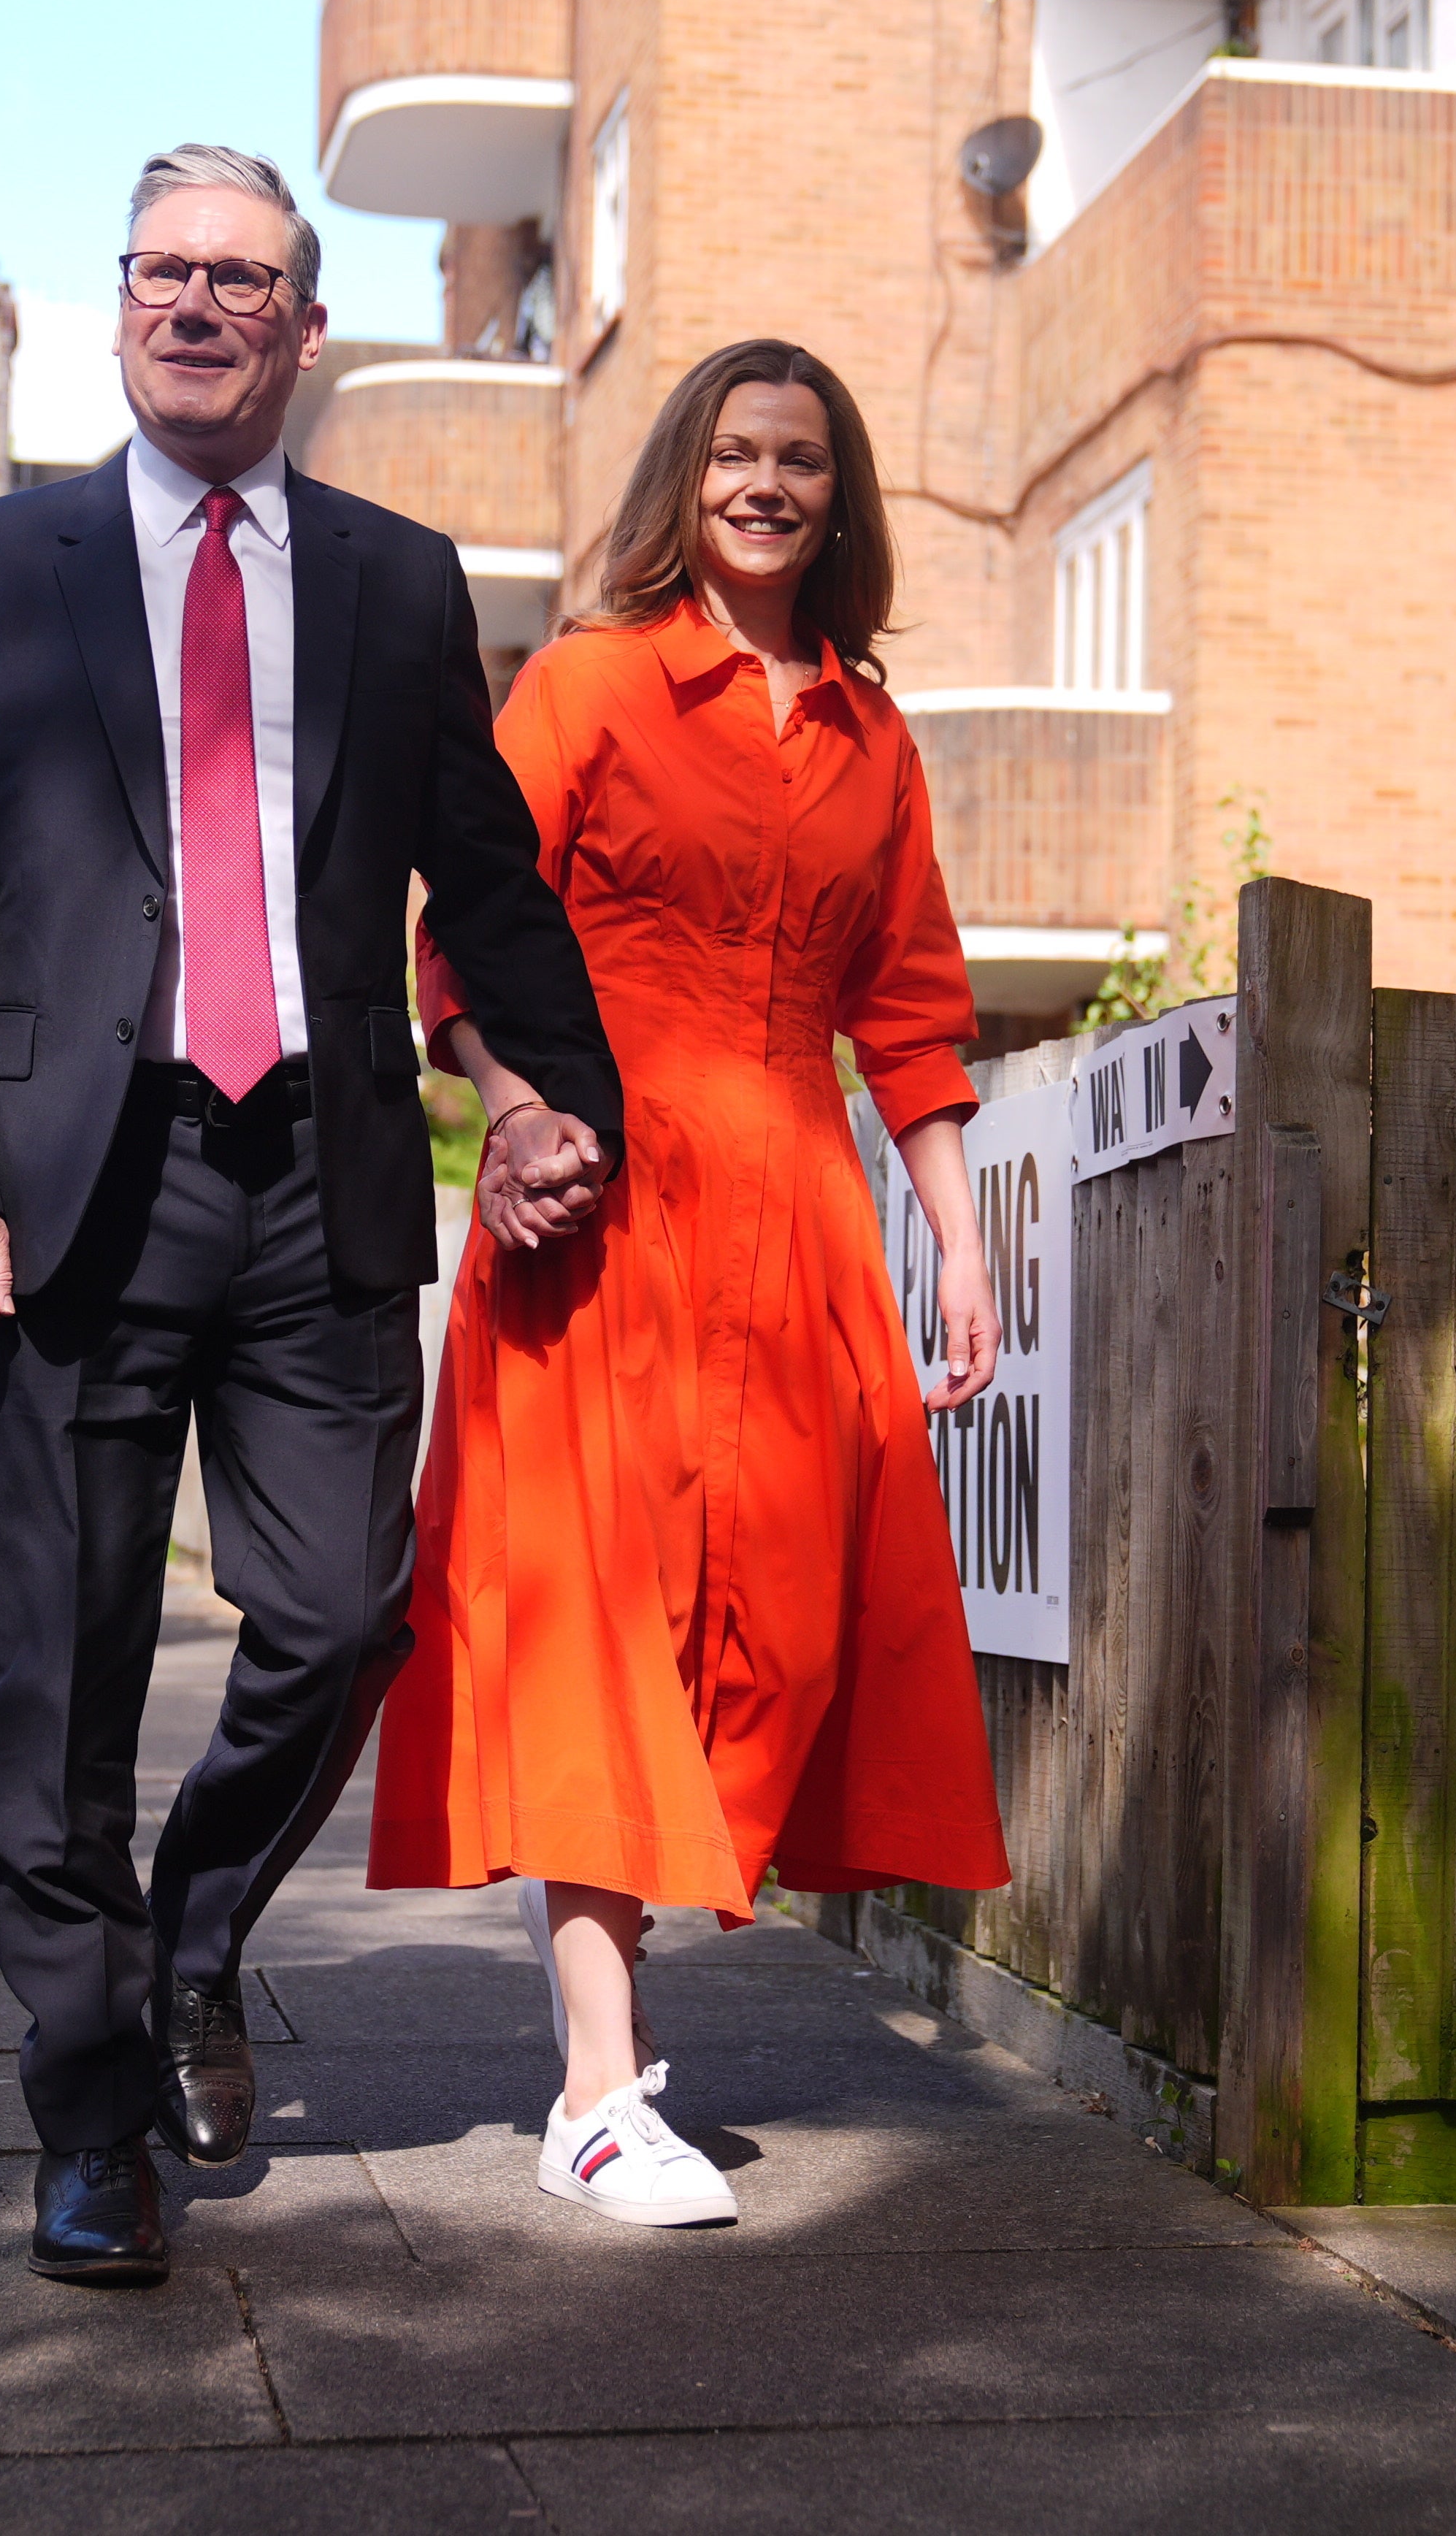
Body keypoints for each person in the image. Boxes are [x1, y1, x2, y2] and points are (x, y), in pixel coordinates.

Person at [0, 144, 621, 2287]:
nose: (198, 305)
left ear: (305, 327)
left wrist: (559, 1096)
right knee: (66, 1663)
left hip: (319, 1172)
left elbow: (480, 873)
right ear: (124, 307)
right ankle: (91, 2105)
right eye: (164, 271)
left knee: (343, 1609)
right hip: (72, 1189)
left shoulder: (391, 580)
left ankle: (189, 1926)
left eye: (245, 281)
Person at [367, 339, 1014, 2229]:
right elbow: (462, 928)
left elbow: (910, 1013)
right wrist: (509, 1112)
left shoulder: (877, 738)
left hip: (801, 1222)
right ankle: (590, 2082)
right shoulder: (585, 680)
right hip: (602, 1214)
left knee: (785, 1626)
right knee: (600, 1620)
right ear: (685, 474)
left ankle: (620, 2019)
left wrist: (961, 1245)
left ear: (841, 492)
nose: (766, 483)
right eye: (735, 451)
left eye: (801, 457)